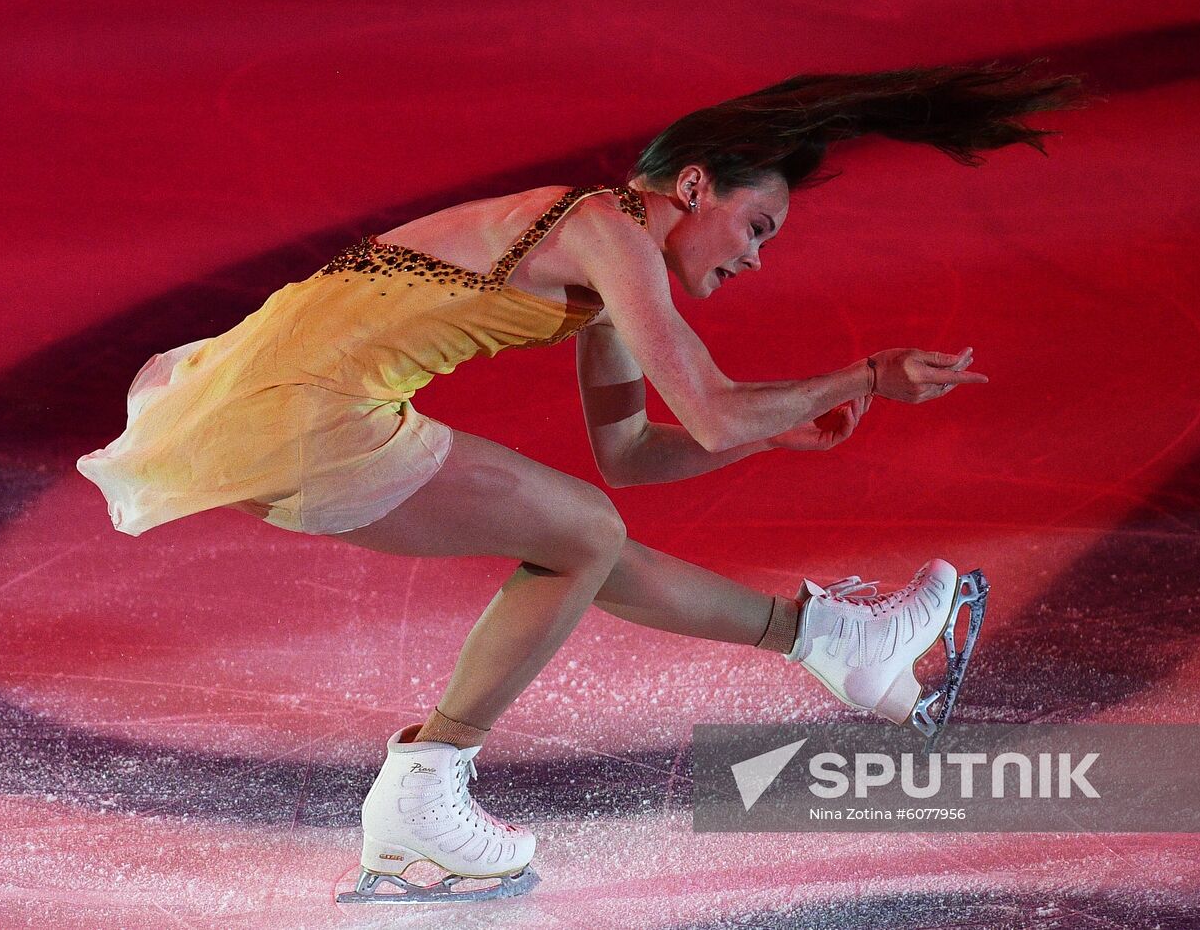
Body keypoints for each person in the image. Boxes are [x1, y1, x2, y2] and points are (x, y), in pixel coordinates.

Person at [76, 62, 1083, 903]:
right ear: (693, 186)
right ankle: (421, 796)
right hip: (304, 408)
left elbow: (634, 451)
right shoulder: (603, 229)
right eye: (756, 227)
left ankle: (840, 647)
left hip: (249, 391)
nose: (754, 259)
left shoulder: (598, 254)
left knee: (583, 530)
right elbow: (713, 407)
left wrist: (771, 434)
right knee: (583, 534)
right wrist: (861, 376)